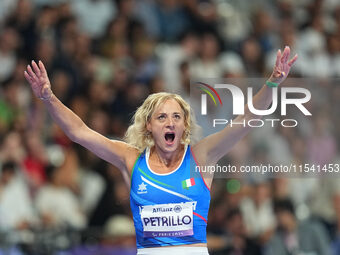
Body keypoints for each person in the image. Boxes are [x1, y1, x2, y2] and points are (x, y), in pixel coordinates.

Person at [24, 46, 297, 255]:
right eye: (162, 117)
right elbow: (79, 132)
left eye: (177, 117)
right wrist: (49, 97)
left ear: (185, 126)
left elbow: (246, 121)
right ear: (149, 126)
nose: (170, 122)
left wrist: (272, 82)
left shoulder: (201, 157)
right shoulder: (130, 158)